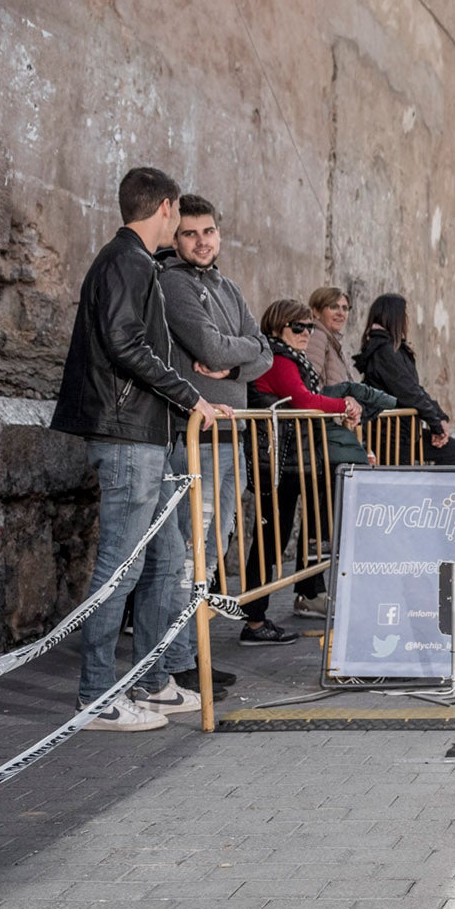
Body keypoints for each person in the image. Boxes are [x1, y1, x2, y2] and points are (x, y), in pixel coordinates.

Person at [52, 166, 233, 732]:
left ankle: (151, 682)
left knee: (162, 560)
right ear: (166, 207)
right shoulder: (125, 261)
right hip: (126, 435)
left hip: (143, 433)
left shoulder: (134, 262)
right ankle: (96, 695)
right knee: (120, 568)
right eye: (179, 214)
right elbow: (125, 344)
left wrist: (189, 404)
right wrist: (191, 396)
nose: (181, 223)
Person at [158, 194, 269, 687]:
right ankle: (175, 662)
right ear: (175, 238)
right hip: (196, 439)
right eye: (189, 233)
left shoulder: (226, 285)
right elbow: (207, 346)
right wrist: (236, 354)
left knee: (212, 549)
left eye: (208, 232)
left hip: (232, 440)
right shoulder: (174, 284)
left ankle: (190, 652)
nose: (201, 242)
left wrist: (235, 361)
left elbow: (264, 350)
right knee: (188, 553)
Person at [241, 300, 394, 632]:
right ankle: (253, 621)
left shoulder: (293, 360)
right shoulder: (278, 359)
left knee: (281, 539)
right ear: (276, 327)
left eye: (309, 327)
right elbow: (303, 400)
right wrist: (343, 404)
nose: (305, 333)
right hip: (278, 464)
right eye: (297, 327)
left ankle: (262, 615)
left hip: (295, 462)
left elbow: (308, 400)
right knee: (269, 542)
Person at [353, 293, 455, 466]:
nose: (407, 320)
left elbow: (415, 388)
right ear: (394, 317)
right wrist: (436, 425)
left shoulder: (391, 349)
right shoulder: (384, 351)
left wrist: (439, 418)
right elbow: (408, 392)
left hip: (403, 434)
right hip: (392, 437)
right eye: (404, 315)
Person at [306, 286, 353, 387]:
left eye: (345, 308)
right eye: (333, 307)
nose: (341, 313)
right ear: (316, 312)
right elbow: (310, 383)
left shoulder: (333, 341)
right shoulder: (316, 336)